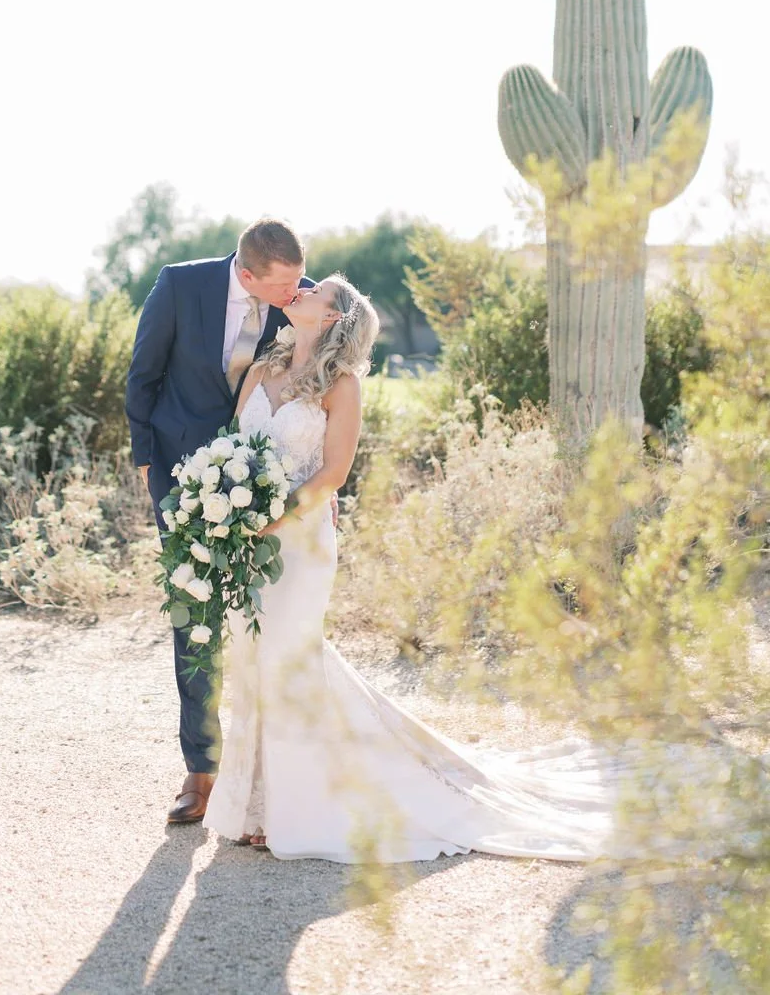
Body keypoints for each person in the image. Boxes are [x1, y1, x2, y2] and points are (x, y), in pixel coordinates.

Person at [202, 275, 628, 863]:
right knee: (254, 660)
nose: (298, 288)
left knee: (285, 658)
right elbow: (233, 445)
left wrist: (269, 520)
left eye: (314, 288)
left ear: (332, 318)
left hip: (300, 544)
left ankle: (299, 810)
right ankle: (259, 806)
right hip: (251, 541)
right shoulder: (258, 368)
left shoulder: (342, 384)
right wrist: (224, 506)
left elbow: (332, 475)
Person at [125, 217, 313, 826]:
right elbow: (144, 373)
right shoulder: (180, 287)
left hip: (268, 482)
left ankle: (268, 772)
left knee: (272, 622)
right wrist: (148, 461)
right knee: (195, 617)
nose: (295, 294)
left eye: (298, 283)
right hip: (186, 481)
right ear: (248, 274)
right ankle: (201, 770)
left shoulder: (301, 302)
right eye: (283, 287)